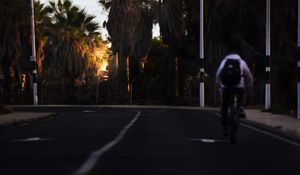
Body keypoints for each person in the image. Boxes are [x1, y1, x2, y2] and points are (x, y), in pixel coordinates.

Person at [216, 53, 253, 136]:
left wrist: (218, 84)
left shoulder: (224, 61)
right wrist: (250, 84)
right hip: (239, 85)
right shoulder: (241, 62)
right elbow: (248, 74)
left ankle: (225, 127)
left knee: (224, 106)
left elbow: (218, 73)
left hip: (226, 86)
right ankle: (240, 107)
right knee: (242, 92)